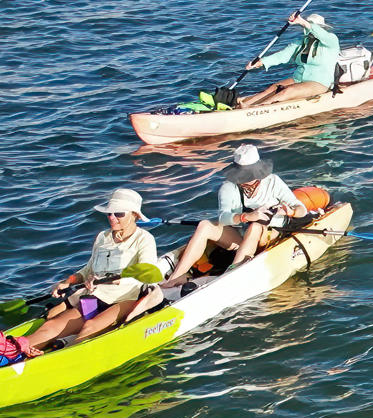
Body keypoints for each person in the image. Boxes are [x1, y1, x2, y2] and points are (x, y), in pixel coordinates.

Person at [17, 188, 162, 355]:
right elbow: (88, 270)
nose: (112, 217)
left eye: (119, 213)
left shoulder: (144, 239)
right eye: (109, 213)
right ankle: (11, 354)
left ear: (135, 215)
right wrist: (68, 281)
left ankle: (57, 358)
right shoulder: (102, 237)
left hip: (126, 298)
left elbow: (147, 275)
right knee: (50, 325)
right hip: (94, 296)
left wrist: (113, 279)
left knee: (90, 327)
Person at [158, 146, 309, 289]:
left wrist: (290, 212)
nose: (246, 180)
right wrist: (247, 216)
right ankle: (176, 277)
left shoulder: (273, 182)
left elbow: (301, 209)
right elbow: (223, 218)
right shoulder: (228, 187)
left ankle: (231, 274)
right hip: (241, 238)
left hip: (269, 234)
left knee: (255, 226)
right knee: (205, 225)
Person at [239, 12, 341, 108]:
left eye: (311, 26)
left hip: (319, 82)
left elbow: (321, 34)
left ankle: (256, 108)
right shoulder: (300, 42)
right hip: (298, 78)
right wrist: (261, 62)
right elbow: (282, 56)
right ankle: (244, 104)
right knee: (273, 88)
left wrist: (302, 22)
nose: (308, 29)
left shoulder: (331, 41)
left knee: (289, 90)